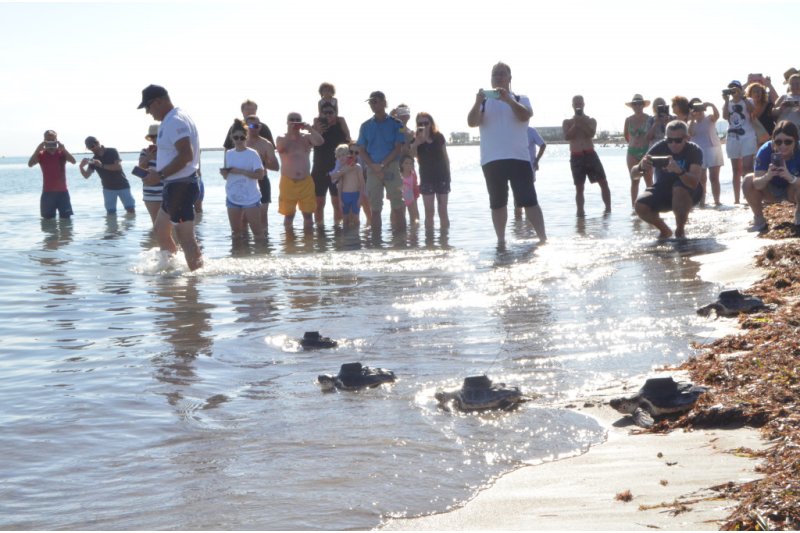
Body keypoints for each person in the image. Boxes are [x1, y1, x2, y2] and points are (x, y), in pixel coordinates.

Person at [467, 62, 546, 244]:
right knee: (497, 203)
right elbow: (471, 122)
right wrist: (477, 101)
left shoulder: (520, 98)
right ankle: (501, 241)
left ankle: (543, 239)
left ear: (510, 78)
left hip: (519, 158)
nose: (499, 77)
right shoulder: (484, 102)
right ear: (491, 79)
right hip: (492, 160)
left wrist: (508, 100)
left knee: (529, 201)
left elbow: (525, 116)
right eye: (495, 74)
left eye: (503, 74)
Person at [138, 84, 203, 271]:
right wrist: (162, 151)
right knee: (160, 229)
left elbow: (186, 155)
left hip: (181, 186)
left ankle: (196, 281)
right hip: (174, 186)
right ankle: (173, 268)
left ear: (158, 101)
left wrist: (159, 175)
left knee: (186, 238)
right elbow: (179, 150)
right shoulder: (173, 118)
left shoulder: (175, 120)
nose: (148, 112)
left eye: (148, 107)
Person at [631, 120, 703, 239]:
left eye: (678, 140)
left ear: (686, 138)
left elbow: (694, 182)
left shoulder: (694, 150)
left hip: (689, 191)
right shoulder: (660, 147)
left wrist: (679, 171)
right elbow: (633, 175)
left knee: (678, 188)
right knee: (640, 205)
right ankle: (665, 231)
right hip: (663, 189)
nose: (673, 144)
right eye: (669, 140)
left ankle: (680, 231)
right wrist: (640, 167)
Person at [356, 91, 406, 230]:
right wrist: (373, 166)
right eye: (371, 102)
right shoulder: (365, 126)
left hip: (392, 167)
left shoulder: (397, 123)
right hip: (372, 169)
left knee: (398, 206)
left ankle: (402, 243)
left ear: (384, 102)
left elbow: (398, 148)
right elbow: (361, 149)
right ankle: (376, 244)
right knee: (375, 209)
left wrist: (382, 165)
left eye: (376, 101)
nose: (373, 104)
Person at [742, 120, 800, 231]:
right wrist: (768, 176)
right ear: (773, 142)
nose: (783, 146)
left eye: (788, 142)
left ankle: (799, 213)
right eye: (778, 142)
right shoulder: (765, 150)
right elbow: (757, 185)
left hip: (792, 190)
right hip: (770, 190)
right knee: (748, 180)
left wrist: (790, 177)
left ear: (795, 141)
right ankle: (759, 220)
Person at [563, 95, 611, 216]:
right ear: (572, 105)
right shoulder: (567, 122)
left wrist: (582, 123)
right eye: (576, 103)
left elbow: (591, 134)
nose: (578, 105)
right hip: (576, 155)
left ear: (584, 104)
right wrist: (575, 125)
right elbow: (567, 137)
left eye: (580, 103)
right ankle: (580, 213)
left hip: (590, 154)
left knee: (603, 182)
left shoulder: (591, 120)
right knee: (579, 187)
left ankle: (608, 209)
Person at [275, 112, 324, 231]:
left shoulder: (306, 137)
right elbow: (280, 149)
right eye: (292, 119)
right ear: (287, 122)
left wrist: (309, 128)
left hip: (306, 182)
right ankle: (289, 245)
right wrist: (291, 134)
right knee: (289, 215)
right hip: (288, 182)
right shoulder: (281, 137)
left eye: (297, 120)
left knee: (308, 215)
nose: (295, 122)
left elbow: (320, 142)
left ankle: (309, 245)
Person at [221, 119, 266, 241]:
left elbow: (260, 175)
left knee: (257, 232)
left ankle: (262, 257)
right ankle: (238, 258)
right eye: (236, 137)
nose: (239, 140)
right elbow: (227, 177)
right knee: (236, 233)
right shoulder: (229, 154)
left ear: (246, 137)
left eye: (242, 137)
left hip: (250, 197)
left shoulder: (252, 154)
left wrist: (240, 171)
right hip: (232, 197)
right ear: (232, 137)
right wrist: (224, 173)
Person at [409, 112, 451, 230]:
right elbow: (412, 157)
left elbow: (446, 157)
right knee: (429, 212)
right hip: (426, 178)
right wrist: (416, 143)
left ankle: (444, 241)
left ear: (431, 123)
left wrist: (448, 176)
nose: (423, 125)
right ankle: (429, 241)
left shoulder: (439, 137)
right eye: (420, 123)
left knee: (443, 210)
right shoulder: (416, 139)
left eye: (426, 123)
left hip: (442, 176)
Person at [311, 101, 350, 226]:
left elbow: (349, 142)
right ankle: (319, 230)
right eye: (325, 113)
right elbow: (309, 143)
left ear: (335, 114)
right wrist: (316, 130)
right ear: (320, 114)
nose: (328, 115)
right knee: (318, 204)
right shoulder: (315, 129)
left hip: (337, 170)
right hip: (319, 170)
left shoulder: (340, 127)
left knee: (337, 203)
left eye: (331, 112)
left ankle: (338, 230)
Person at [79, 136, 136, 215]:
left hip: (123, 185)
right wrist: (81, 167)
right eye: (89, 148)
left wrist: (101, 165)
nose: (91, 149)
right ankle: (112, 228)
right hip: (108, 189)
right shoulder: (93, 159)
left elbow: (118, 167)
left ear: (97, 143)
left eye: (92, 146)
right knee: (111, 213)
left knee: (131, 210)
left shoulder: (112, 151)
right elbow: (86, 176)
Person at [28, 130, 76, 219]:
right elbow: (30, 164)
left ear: (56, 140)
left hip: (63, 193)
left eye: (52, 140)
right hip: (48, 193)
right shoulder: (41, 154)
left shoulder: (61, 153)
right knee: (48, 224)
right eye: (48, 140)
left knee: (66, 222)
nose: (50, 142)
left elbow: (73, 161)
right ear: (44, 141)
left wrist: (64, 149)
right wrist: (38, 149)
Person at [722, 80, 757, 204]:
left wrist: (742, 96)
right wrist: (726, 101)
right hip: (732, 137)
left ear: (741, 89)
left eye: (736, 88)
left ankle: (750, 195)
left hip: (747, 136)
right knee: (736, 169)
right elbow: (725, 116)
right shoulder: (728, 103)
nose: (733, 90)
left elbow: (753, 110)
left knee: (747, 167)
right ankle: (736, 199)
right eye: (731, 88)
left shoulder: (748, 100)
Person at [245, 114, 279, 230]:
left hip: (262, 180)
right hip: (246, 182)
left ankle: (264, 244)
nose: (253, 128)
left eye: (256, 125)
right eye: (250, 125)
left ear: (260, 127)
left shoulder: (266, 144)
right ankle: (244, 245)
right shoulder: (241, 143)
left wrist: (263, 161)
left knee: (262, 215)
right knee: (244, 216)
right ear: (245, 126)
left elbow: (276, 167)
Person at [688, 99, 724, 206]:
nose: (698, 111)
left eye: (699, 108)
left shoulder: (709, 118)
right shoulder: (691, 122)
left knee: (714, 177)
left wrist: (711, 104)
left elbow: (717, 116)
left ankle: (717, 201)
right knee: (701, 179)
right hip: (699, 151)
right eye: (695, 108)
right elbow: (691, 133)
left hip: (713, 148)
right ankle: (702, 201)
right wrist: (692, 118)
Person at [624, 94, 653, 207]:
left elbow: (652, 134)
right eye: (635, 104)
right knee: (634, 180)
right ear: (632, 106)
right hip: (632, 152)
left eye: (639, 103)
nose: (637, 106)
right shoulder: (628, 120)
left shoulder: (649, 119)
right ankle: (634, 207)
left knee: (649, 180)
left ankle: (651, 205)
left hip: (646, 151)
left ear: (643, 105)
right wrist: (634, 142)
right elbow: (626, 136)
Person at [513, 126, 546, 218]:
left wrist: (537, 160)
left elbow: (542, 145)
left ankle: (529, 222)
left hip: (529, 166)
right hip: (515, 166)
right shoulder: (512, 129)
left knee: (529, 193)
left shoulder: (531, 131)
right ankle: (518, 222)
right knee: (516, 193)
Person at [329, 144, 365, 228]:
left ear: (348, 155)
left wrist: (360, 198)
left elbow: (362, 183)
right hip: (345, 196)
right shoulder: (341, 169)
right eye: (339, 156)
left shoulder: (357, 167)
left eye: (343, 155)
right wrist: (340, 200)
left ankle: (356, 237)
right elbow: (339, 186)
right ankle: (346, 238)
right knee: (345, 219)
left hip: (355, 195)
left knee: (356, 218)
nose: (341, 158)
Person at [138, 124, 163, 224]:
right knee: (156, 223)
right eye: (152, 137)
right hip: (150, 192)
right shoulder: (145, 151)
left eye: (156, 136)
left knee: (172, 223)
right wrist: (149, 156)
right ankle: (157, 240)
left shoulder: (169, 151)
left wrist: (158, 156)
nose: (154, 139)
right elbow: (141, 167)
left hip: (166, 191)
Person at [399, 154, 420, 225]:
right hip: (401, 197)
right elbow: (396, 187)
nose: (408, 165)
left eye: (411, 163)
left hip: (410, 196)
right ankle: (400, 231)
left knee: (414, 215)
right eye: (406, 163)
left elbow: (415, 187)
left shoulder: (413, 175)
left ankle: (415, 231)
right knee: (400, 215)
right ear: (401, 164)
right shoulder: (399, 175)